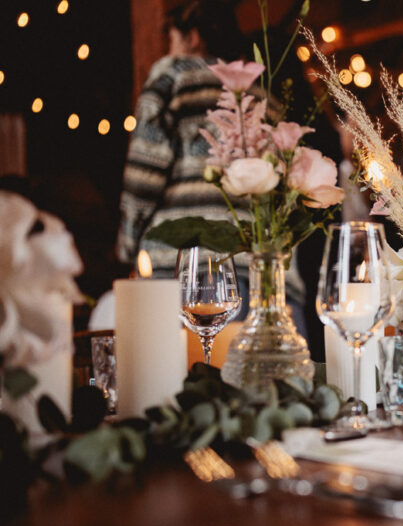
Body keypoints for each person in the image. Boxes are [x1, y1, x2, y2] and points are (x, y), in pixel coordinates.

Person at [117, 0, 308, 335]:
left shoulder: (172, 76)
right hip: (261, 269)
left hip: (184, 266)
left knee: (183, 381)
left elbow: (144, 174)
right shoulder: (265, 96)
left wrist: (128, 244)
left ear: (191, 36)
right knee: (266, 383)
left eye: (172, 38)